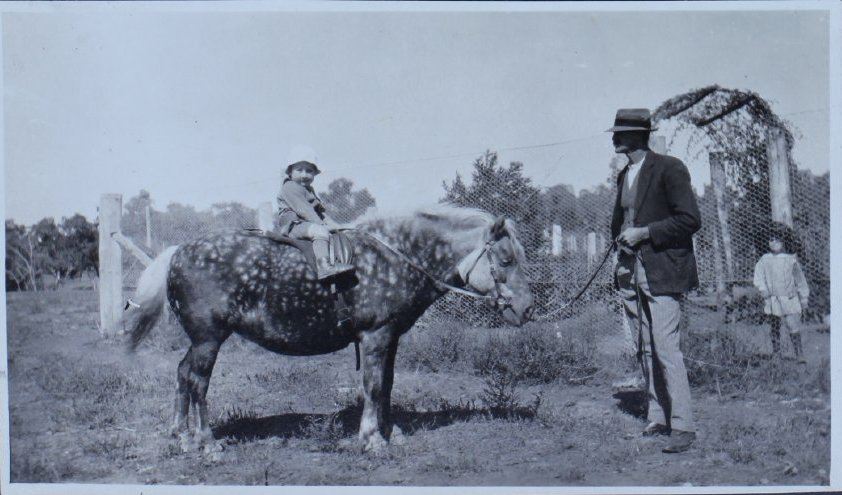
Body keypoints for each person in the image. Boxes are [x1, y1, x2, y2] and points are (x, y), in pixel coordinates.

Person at [608, 108, 702, 454]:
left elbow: (690, 219)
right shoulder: (624, 175)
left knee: (665, 347)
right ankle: (658, 416)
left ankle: (683, 426)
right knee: (644, 346)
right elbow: (621, 221)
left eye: (620, 132)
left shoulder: (669, 167)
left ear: (638, 135)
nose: (614, 138)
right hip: (630, 270)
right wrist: (621, 243)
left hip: (663, 269)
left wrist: (645, 233)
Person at [276, 145, 354, 280]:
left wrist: (336, 226)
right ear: (290, 172)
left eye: (309, 171)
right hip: (294, 225)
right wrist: (322, 226)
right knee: (320, 232)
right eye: (299, 170)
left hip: (306, 223)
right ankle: (324, 267)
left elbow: (321, 212)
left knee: (333, 233)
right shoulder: (290, 187)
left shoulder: (308, 189)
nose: (304, 175)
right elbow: (304, 210)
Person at [753, 226, 810, 363]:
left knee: (792, 324)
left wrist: (804, 297)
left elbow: (799, 279)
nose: (773, 243)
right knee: (774, 325)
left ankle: (799, 354)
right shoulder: (765, 259)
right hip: (773, 299)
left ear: (784, 242)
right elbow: (758, 276)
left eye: (777, 240)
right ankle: (776, 354)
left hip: (789, 297)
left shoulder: (791, 259)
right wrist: (763, 289)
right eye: (770, 240)